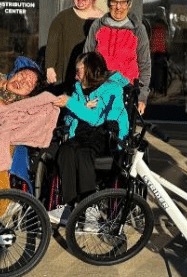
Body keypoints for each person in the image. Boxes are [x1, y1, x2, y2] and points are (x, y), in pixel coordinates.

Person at [48, 51, 132, 223]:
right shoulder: (78, 89)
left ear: (91, 70)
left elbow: (97, 119)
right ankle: (69, 206)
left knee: (83, 154)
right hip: (80, 134)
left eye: (79, 71)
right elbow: (69, 118)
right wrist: (80, 107)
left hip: (106, 135)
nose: (76, 75)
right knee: (65, 151)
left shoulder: (112, 89)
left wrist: (72, 103)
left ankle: (90, 209)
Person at [84, 0, 151, 113]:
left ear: (129, 4)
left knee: (121, 130)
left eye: (123, 2)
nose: (118, 7)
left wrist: (142, 96)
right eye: (114, 2)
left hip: (127, 92)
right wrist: (86, 89)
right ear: (109, 3)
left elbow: (145, 65)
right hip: (99, 90)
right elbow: (86, 60)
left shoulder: (138, 29)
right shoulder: (97, 26)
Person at [45, 0, 103, 93]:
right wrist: (50, 68)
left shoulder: (103, 20)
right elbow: (52, 45)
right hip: (66, 77)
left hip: (94, 79)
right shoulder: (62, 18)